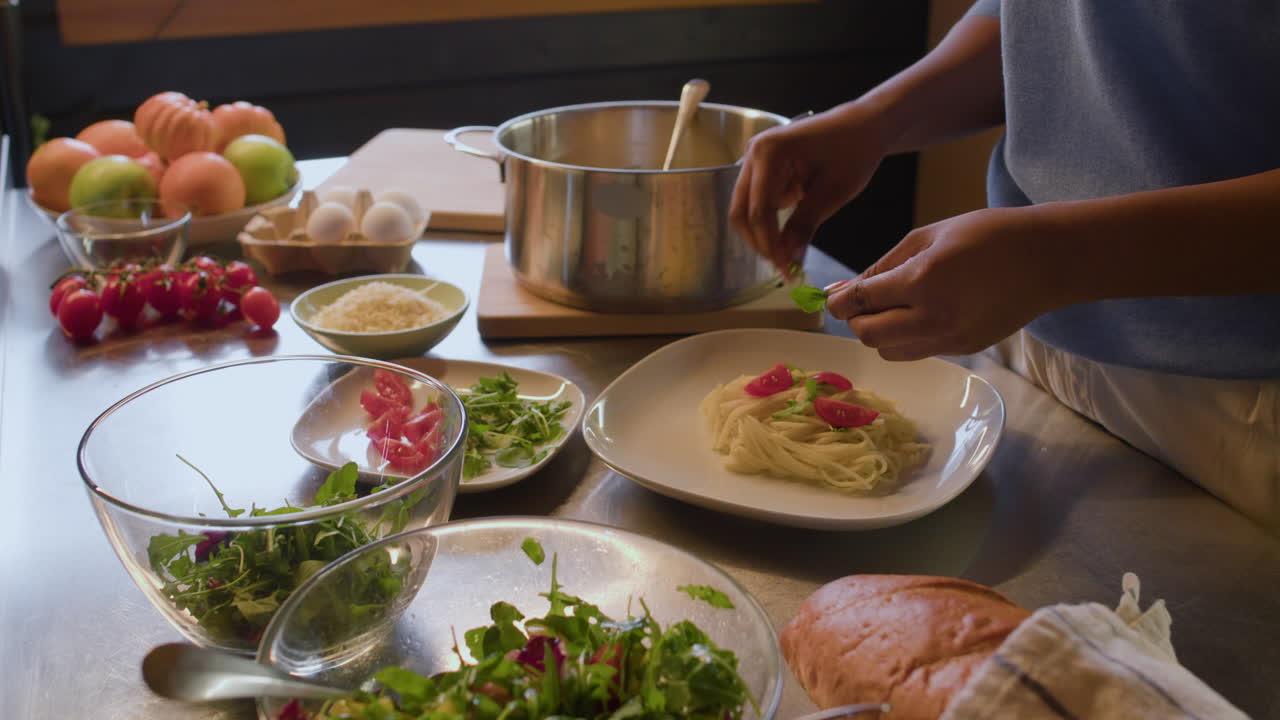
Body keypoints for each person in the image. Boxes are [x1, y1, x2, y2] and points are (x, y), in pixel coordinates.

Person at [729, 1, 1280, 531]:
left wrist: (1056, 258)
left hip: (1238, 404)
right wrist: (878, 118)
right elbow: (1044, 23)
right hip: (1025, 344)